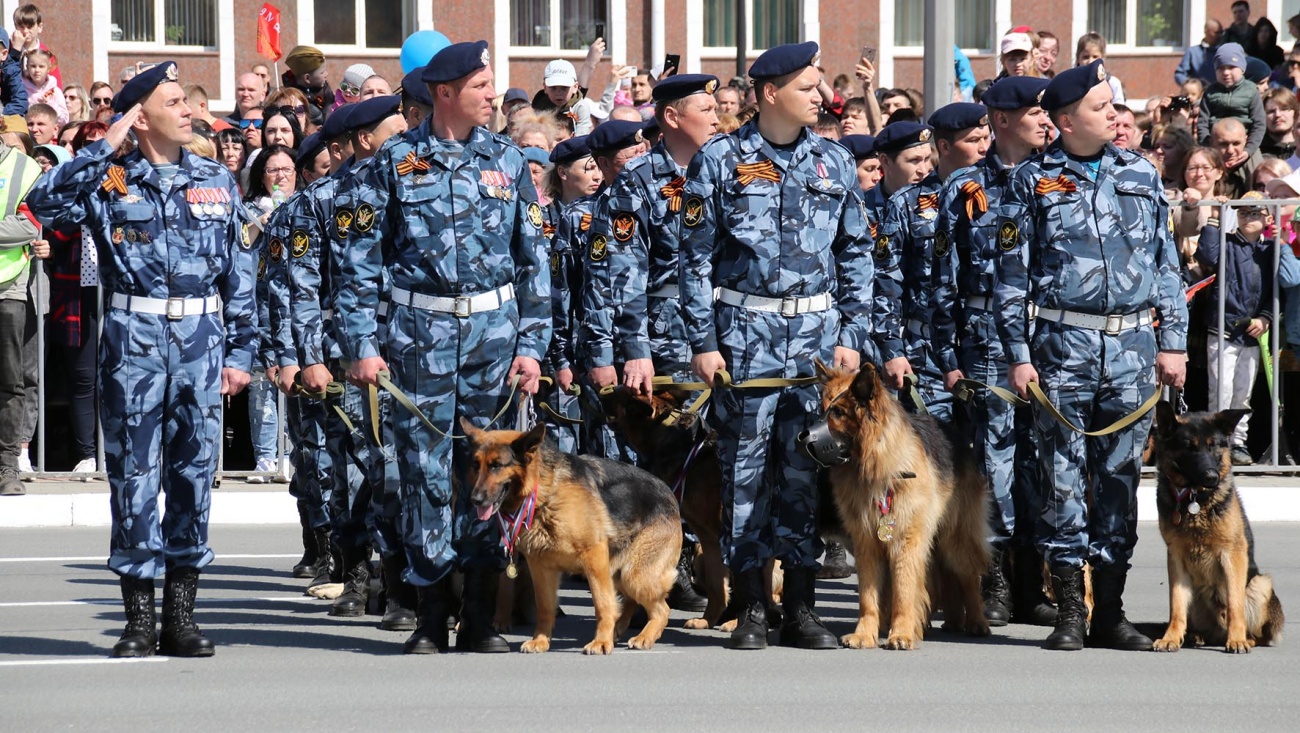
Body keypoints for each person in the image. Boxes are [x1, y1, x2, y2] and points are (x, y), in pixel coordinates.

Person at [25, 61, 257, 656]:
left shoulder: (215, 180)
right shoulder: (112, 180)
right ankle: (138, 619)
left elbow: (240, 277)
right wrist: (105, 142)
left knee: (193, 477)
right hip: (134, 342)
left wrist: (240, 352)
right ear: (141, 115)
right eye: (174, 102)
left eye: (186, 101)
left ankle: (181, 617)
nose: (188, 110)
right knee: (133, 480)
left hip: (202, 342)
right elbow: (45, 203)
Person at [337, 41, 549, 655]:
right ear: (446, 92)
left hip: (494, 343)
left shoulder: (508, 163)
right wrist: (361, 345)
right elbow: (359, 262)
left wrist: (532, 345)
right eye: (483, 85)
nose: (493, 94)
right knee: (424, 474)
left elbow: (534, 260)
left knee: (489, 473)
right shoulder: (396, 160)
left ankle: (480, 615)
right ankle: (431, 612)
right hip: (417, 341)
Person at [678, 41, 874, 651]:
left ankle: (803, 606)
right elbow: (691, 261)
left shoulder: (834, 162)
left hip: (815, 342)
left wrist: (851, 335)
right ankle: (752, 605)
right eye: (808, 87)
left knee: (804, 471)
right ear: (769, 93)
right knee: (745, 474)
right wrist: (704, 344)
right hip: (744, 338)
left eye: (819, 86)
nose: (822, 97)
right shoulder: (719, 160)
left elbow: (856, 254)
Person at [993, 59, 1188, 652]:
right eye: (1102, 107)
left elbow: (1165, 264)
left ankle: (1111, 608)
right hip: (1061, 347)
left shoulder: (1140, 172)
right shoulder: (1031, 181)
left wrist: (1174, 341)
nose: (1114, 114)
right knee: (1060, 480)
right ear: (1067, 120)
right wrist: (1018, 357)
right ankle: (1071, 610)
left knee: (1119, 478)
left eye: (1113, 105)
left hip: (1132, 347)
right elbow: (1009, 281)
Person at [585, 74, 720, 613]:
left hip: (721, 328)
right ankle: (666, 567)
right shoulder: (637, 180)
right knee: (667, 455)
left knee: (716, 455)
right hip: (663, 332)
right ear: (671, 117)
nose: (716, 116)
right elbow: (616, 273)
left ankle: (728, 581)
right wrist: (629, 346)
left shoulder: (728, 168)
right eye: (704, 108)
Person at [932, 75, 1058, 629]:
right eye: (1035, 111)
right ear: (1002, 119)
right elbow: (940, 281)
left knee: (1046, 463)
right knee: (994, 465)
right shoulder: (965, 188)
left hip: (1051, 341)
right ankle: (996, 579)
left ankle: (1036, 580)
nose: (1046, 120)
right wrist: (947, 357)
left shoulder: (1056, 179)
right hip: (984, 343)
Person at [878, 105, 991, 424]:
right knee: (933, 454)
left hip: (982, 345)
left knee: (986, 459)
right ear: (945, 146)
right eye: (974, 140)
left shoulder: (995, 196)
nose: (984, 148)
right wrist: (892, 348)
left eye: (986, 138)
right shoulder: (908, 203)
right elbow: (885, 282)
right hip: (925, 352)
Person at [1196, 192, 1277, 466]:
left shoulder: (1271, 249)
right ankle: (1215, 441)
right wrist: (1215, 219)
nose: (1249, 218)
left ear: (1267, 217)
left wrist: (1266, 318)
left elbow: (1276, 291)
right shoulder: (1227, 242)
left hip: (1253, 333)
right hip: (1224, 328)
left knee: (1243, 392)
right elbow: (1206, 255)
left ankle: (1238, 442)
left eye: (1255, 213)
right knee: (1221, 389)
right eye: (1243, 213)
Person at [540, 135, 601, 455]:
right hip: (555, 342)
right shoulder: (542, 218)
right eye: (587, 168)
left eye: (597, 168)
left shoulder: (601, 213)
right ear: (563, 173)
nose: (596, 175)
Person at [0, 116, 41, 496]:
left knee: (9, 383)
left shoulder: (24, 167)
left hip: (7, 288)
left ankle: (6, 467)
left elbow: (31, 224)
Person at [1198, 43, 1265, 157]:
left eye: (1231, 67)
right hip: (1216, 147)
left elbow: (1259, 123)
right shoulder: (1210, 92)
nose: (1226, 73)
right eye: (1221, 68)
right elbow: (1202, 123)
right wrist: (1208, 148)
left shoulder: (1251, 90)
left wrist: (1249, 150)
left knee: (1257, 171)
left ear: (1242, 69)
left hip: (1244, 146)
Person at [1213, 117, 1261, 197]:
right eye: (1224, 144)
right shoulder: (1203, 168)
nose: (1230, 151)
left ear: (1246, 141)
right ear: (1212, 142)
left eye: (1236, 143)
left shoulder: (1254, 161)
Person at [1075, 33, 1124, 105]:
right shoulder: (1073, 83)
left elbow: (1119, 110)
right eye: (1085, 57)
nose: (1090, 61)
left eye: (1095, 57)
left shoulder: (1112, 83)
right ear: (1078, 58)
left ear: (1103, 58)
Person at [22, 50, 64, 124]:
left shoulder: (55, 91)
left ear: (48, 68)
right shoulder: (21, 90)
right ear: (27, 67)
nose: (37, 70)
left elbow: (64, 120)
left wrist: (50, 105)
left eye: (41, 66)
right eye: (33, 66)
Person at [1177, 20, 1225, 85]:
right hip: (1200, 93)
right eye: (1216, 32)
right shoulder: (1193, 52)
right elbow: (1180, 74)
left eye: (1221, 32)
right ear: (1206, 31)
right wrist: (1191, 87)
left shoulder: (1224, 52)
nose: (1220, 36)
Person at [1261, 88, 1298, 159]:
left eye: (1284, 109)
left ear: (1295, 112)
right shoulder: (1257, 153)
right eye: (1271, 111)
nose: (1277, 115)